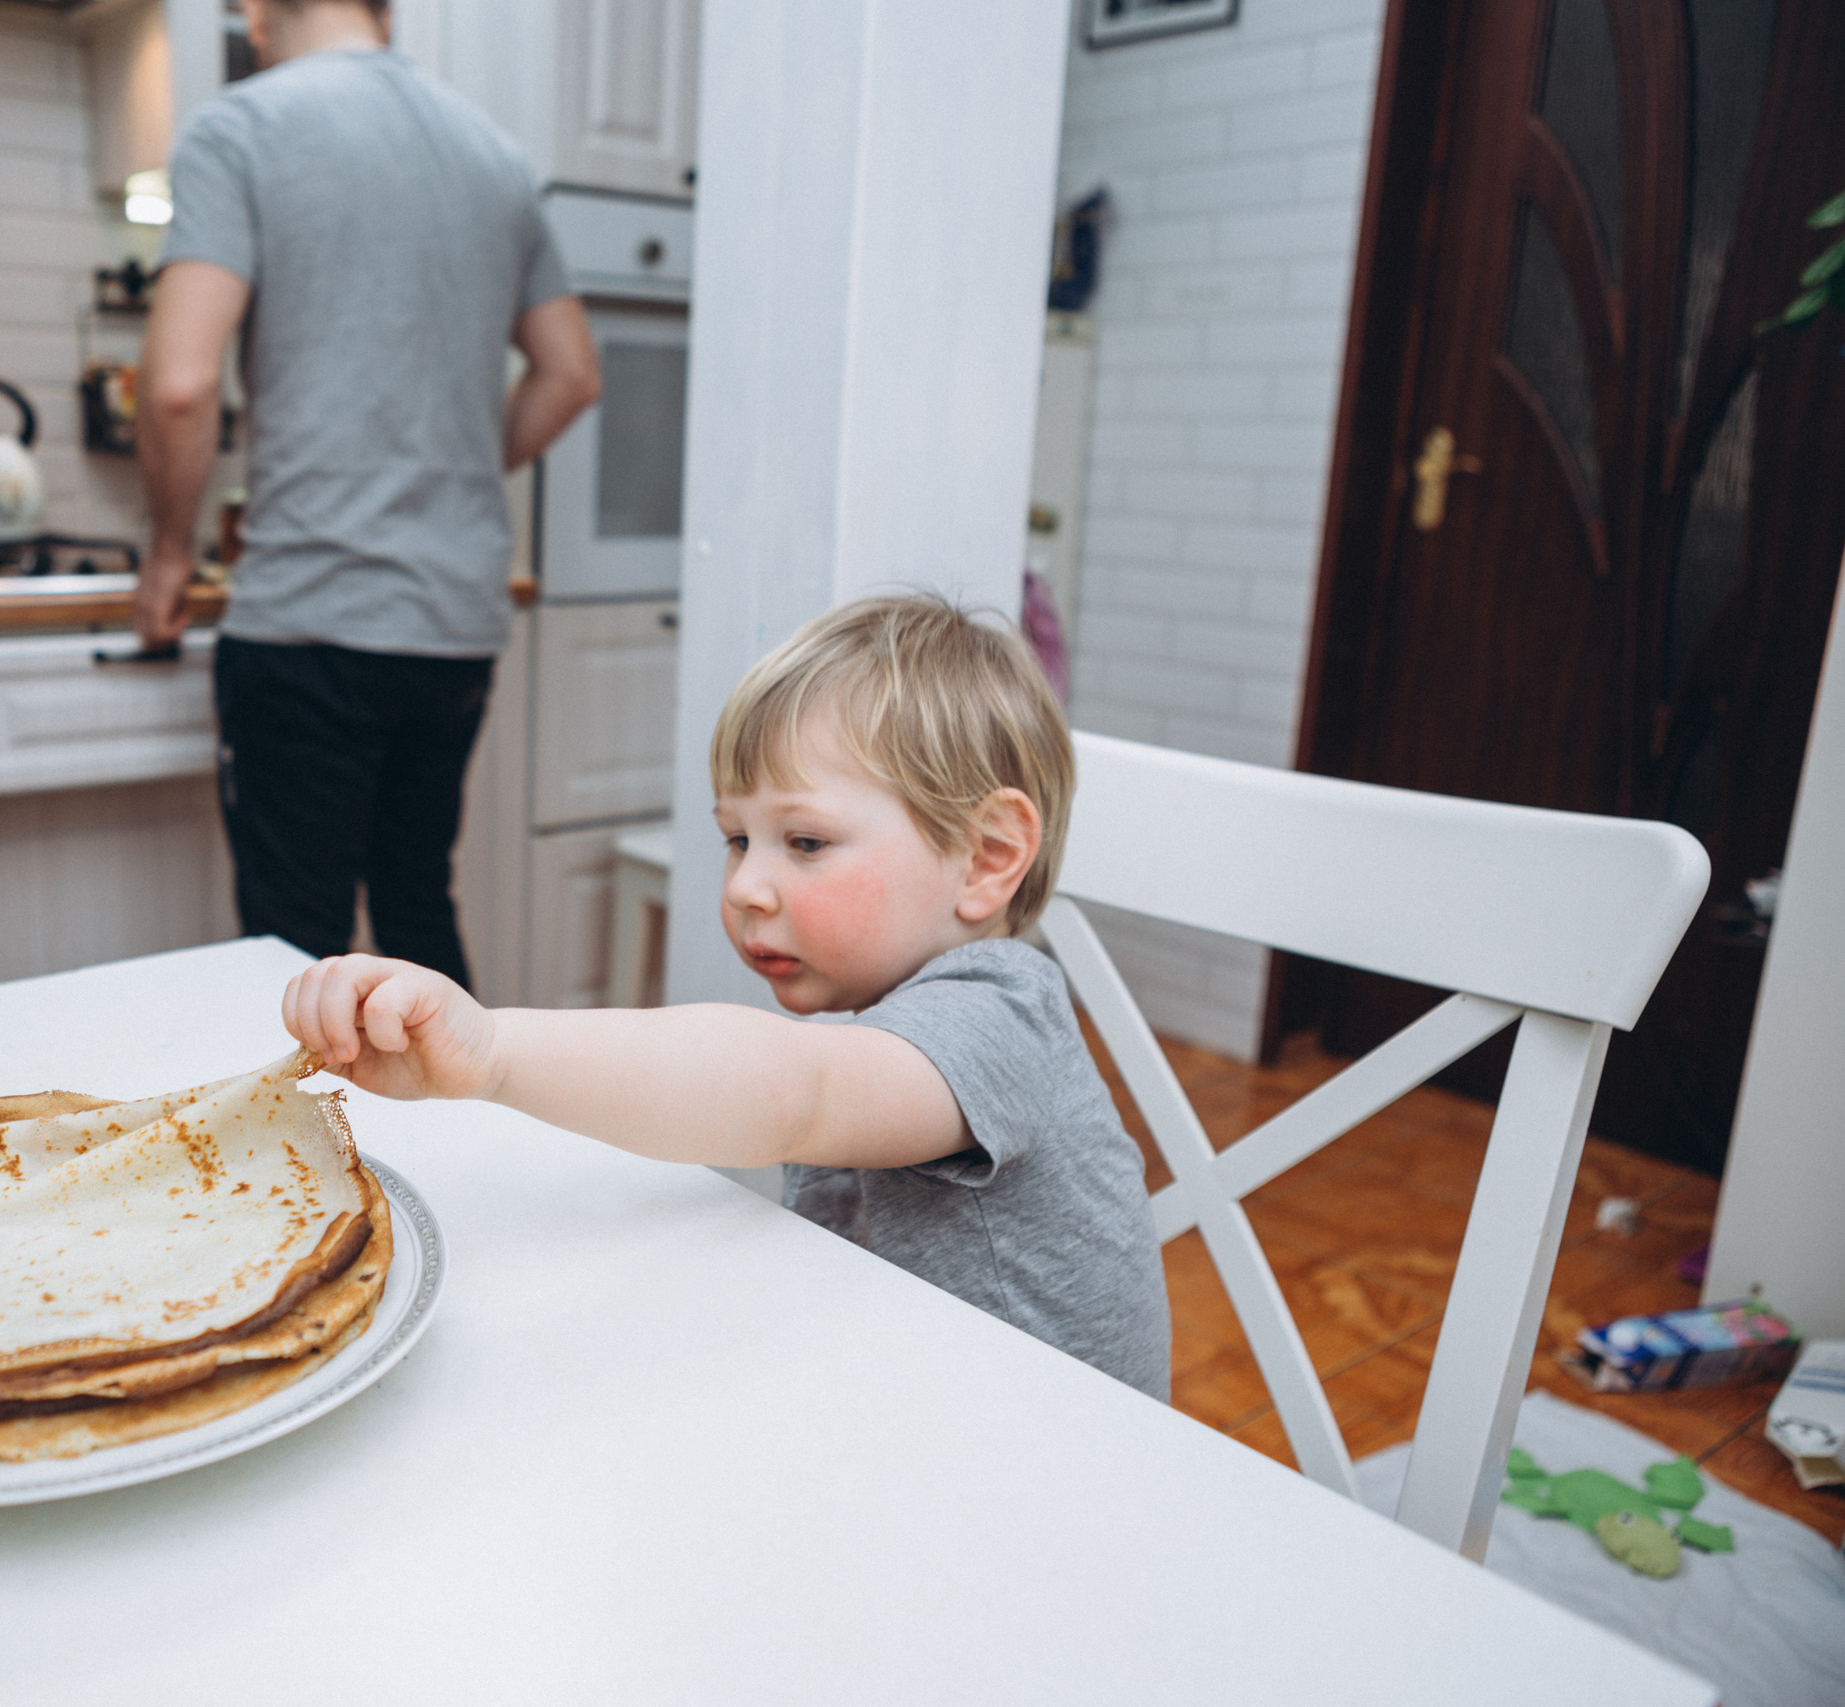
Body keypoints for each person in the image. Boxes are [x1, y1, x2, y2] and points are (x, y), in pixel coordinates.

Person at [282, 595, 1173, 1398]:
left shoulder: (1003, 1014)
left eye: (806, 841)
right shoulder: (899, 1024)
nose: (746, 885)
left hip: (1048, 1478)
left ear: (987, 856)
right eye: (737, 839)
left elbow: (794, 1092)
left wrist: (494, 1052)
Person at [133, 0, 602, 991]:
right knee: (416, 904)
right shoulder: (495, 155)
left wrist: (169, 551)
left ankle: (310, 1109)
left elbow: (178, 385)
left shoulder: (241, 126)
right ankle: (467, 1101)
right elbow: (570, 374)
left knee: (295, 943)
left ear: (258, 9)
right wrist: (452, 465)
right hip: (453, 625)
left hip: (312, 614)